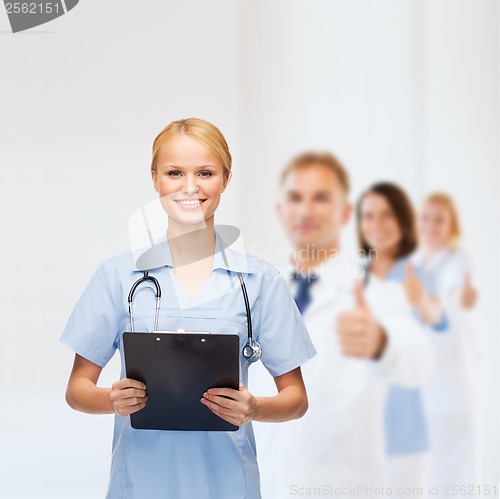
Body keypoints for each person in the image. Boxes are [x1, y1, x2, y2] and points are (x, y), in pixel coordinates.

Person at [60, 118, 317, 499]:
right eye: (174, 173)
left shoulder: (258, 281)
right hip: (140, 484)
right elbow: (77, 389)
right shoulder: (118, 275)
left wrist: (254, 409)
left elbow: (295, 399)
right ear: (155, 179)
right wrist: (111, 400)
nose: (190, 186)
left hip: (228, 484)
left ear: (225, 180)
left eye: (206, 173)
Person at [251, 152, 435, 499]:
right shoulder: (262, 295)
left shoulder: (374, 290)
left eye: (321, 198)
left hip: (341, 485)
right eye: (295, 198)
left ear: (345, 213)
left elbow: (420, 362)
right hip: (268, 481)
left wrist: (382, 343)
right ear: (281, 211)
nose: (305, 210)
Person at [356, 182, 448, 498]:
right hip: (357, 427)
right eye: (368, 216)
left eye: (387, 216)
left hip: (404, 426)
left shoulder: (416, 276)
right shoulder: (353, 277)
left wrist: (422, 303)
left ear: (403, 221)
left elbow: (438, 319)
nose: (376, 225)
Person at [413, 193, 479, 496]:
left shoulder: (457, 259)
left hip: (451, 379)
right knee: (428, 465)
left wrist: (459, 299)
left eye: (440, 219)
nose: (431, 225)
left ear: (451, 224)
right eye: (426, 217)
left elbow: (458, 295)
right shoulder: (414, 262)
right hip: (423, 378)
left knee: (454, 465)